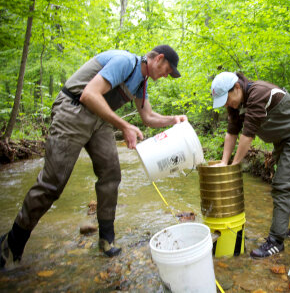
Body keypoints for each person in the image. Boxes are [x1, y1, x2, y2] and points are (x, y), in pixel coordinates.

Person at [0, 45, 187, 268]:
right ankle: (12, 244)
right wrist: (124, 125)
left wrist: (173, 119)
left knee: (111, 174)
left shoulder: (141, 82)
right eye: (168, 70)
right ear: (159, 58)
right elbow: (89, 94)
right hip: (72, 110)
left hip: (99, 120)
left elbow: (147, 117)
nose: (167, 75)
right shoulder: (125, 62)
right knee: (53, 184)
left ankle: (106, 239)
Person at [210, 72, 290, 258]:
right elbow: (232, 132)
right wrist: (224, 163)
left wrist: (235, 165)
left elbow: (247, 136)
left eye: (226, 100)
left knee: (282, 185)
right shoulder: (235, 103)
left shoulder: (258, 93)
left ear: (236, 88)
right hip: (283, 138)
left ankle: (276, 241)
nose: (227, 105)